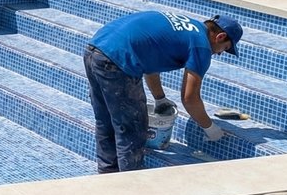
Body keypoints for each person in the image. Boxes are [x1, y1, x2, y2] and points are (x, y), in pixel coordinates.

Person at [84, 11, 243, 173]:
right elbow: (190, 98)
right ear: (220, 37)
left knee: (105, 121)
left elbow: (149, 58)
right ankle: (129, 185)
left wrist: (159, 98)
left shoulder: (188, 27)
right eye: (225, 48)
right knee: (133, 128)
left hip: (95, 48)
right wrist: (210, 128)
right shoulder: (201, 45)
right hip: (117, 60)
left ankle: (107, 176)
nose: (220, 53)